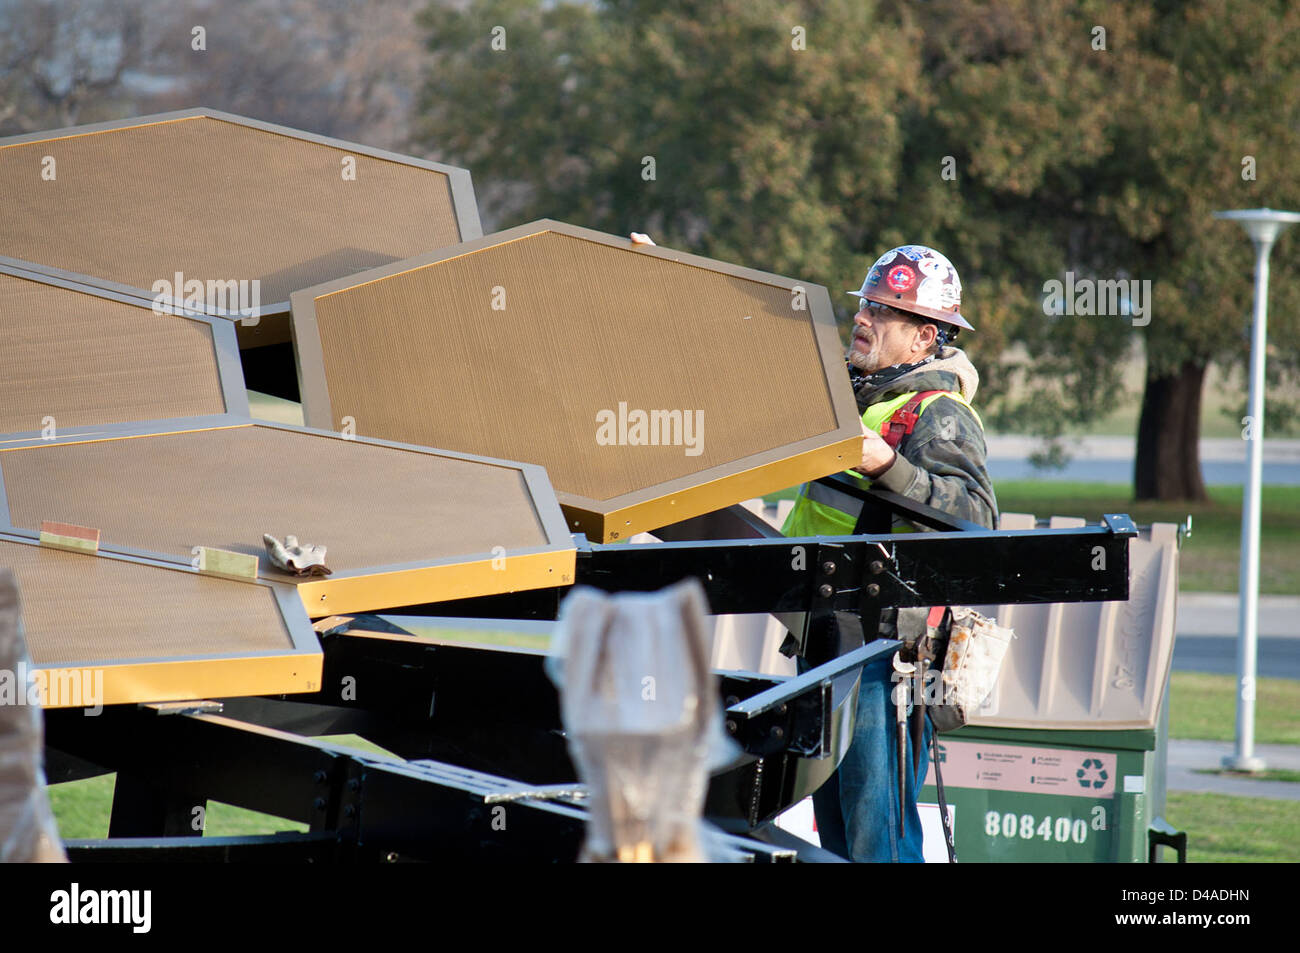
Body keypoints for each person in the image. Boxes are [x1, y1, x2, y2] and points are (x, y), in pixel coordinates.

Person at [782, 244, 997, 862]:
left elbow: (976, 520)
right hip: (828, 640)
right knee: (839, 840)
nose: (865, 318)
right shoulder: (854, 398)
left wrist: (889, 466)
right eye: (867, 304)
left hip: (886, 655)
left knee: (878, 839)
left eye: (885, 311)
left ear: (923, 338)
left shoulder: (939, 412)